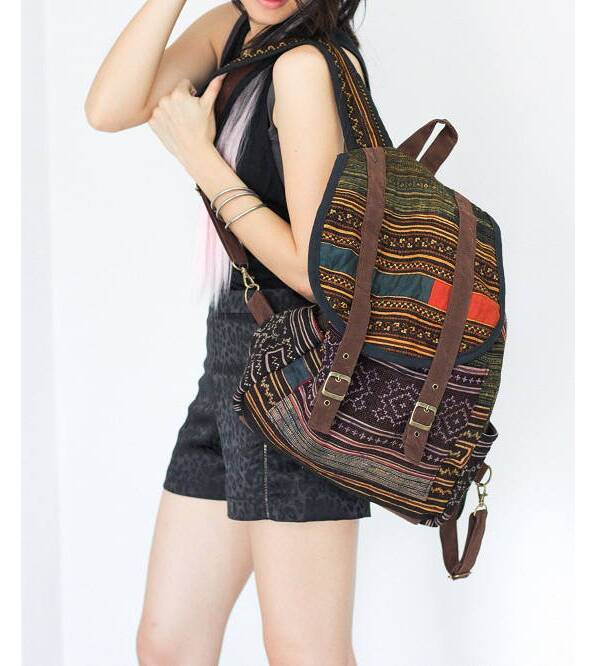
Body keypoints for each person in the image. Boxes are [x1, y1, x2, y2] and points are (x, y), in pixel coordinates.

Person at [85, 2, 376, 664]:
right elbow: (108, 108)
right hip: (229, 364)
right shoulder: (235, 29)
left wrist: (198, 155)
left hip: (300, 373)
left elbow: (311, 272)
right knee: (170, 644)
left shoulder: (307, 66)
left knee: (306, 653)